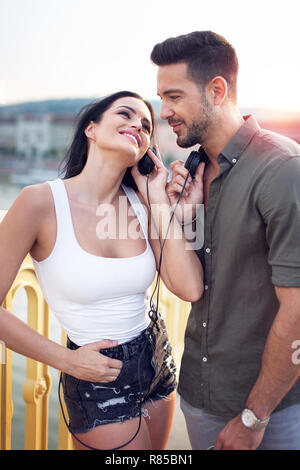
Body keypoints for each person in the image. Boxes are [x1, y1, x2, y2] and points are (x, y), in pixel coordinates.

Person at [0, 91, 204, 450]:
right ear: (91, 129)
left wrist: (158, 200)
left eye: (145, 125)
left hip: (156, 355)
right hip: (96, 374)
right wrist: (67, 361)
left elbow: (188, 288)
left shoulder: (142, 204)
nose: (137, 126)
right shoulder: (39, 202)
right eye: (125, 114)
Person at [150, 31, 300, 450]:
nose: (164, 112)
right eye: (161, 98)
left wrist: (253, 418)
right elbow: (197, 285)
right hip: (198, 397)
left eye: (174, 97)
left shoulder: (283, 170)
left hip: (272, 412)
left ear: (217, 90)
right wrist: (182, 218)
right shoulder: (195, 172)